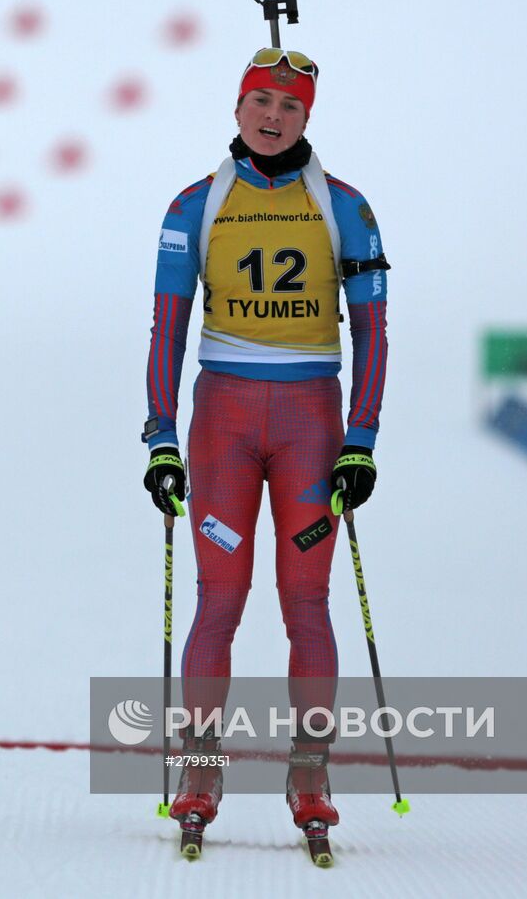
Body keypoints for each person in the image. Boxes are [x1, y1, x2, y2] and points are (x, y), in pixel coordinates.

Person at [141, 47, 391, 838]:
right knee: (220, 601)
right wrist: (161, 438)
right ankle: (200, 771)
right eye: (260, 103)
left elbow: (375, 332)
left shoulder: (345, 205)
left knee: (307, 602)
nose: (273, 118)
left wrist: (361, 438)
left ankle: (309, 776)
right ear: (238, 108)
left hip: (311, 425)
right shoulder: (194, 203)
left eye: (289, 107)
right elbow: (167, 331)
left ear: (307, 116)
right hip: (222, 422)